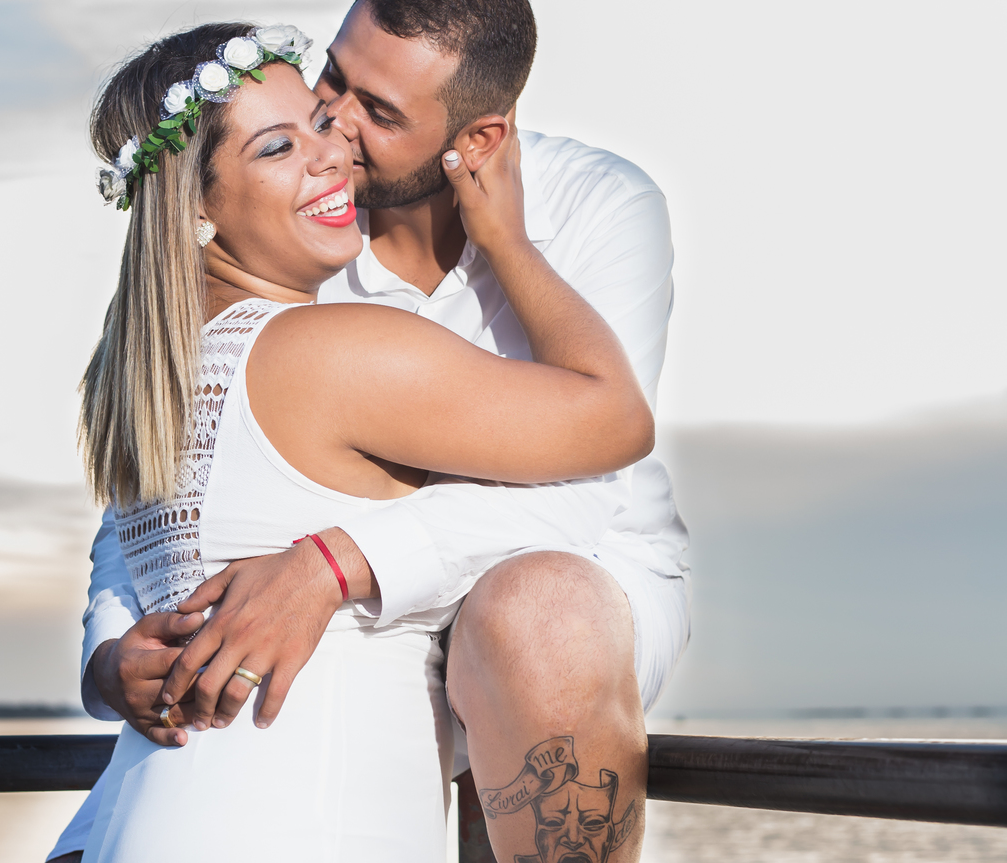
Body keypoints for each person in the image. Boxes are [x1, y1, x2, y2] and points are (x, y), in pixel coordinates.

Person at [51, 2, 690, 861]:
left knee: (539, 609)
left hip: (169, 812)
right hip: (308, 816)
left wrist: (333, 562)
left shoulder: (160, 353)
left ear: (479, 135)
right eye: (328, 90)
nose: (337, 137)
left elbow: (591, 489)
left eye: (373, 113)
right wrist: (109, 659)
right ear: (195, 204)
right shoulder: (327, 311)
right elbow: (610, 417)